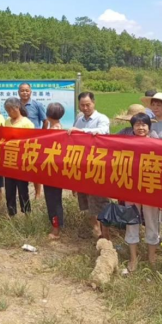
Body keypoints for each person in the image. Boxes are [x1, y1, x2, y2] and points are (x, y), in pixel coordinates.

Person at [123, 113, 162, 273]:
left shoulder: (157, 143)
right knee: (131, 222)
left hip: (150, 188)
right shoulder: (125, 143)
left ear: (149, 127)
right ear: (132, 127)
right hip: (131, 188)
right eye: (137, 125)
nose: (140, 128)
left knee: (152, 222)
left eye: (144, 124)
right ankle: (133, 258)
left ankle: (152, 257)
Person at [70, 92, 110, 239]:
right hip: (83, 165)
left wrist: (81, 132)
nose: (85, 108)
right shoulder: (79, 119)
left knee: (100, 200)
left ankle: (106, 234)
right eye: (82, 105)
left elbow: (102, 131)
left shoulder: (102, 119)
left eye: (88, 105)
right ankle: (95, 229)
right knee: (86, 199)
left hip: (98, 166)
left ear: (94, 103)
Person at [3, 97, 34, 216]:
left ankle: (27, 213)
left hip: (21, 161)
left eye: (10, 110)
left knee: (22, 189)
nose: (9, 113)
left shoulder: (27, 123)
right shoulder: (7, 122)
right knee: (9, 189)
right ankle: (11, 213)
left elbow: (31, 142)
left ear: (17, 108)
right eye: (7, 111)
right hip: (9, 160)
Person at [19, 82, 48, 199]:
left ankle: (37, 193)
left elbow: (45, 121)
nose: (24, 93)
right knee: (21, 167)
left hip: (34, 142)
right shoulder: (16, 105)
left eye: (27, 90)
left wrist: (41, 135)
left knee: (35, 167)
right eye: (22, 90)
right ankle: (23, 193)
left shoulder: (37, 105)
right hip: (19, 142)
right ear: (18, 92)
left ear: (31, 92)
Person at [44, 102, 65, 239]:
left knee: (53, 199)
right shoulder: (53, 127)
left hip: (53, 169)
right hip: (50, 167)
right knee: (52, 198)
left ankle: (56, 229)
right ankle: (55, 225)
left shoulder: (55, 129)